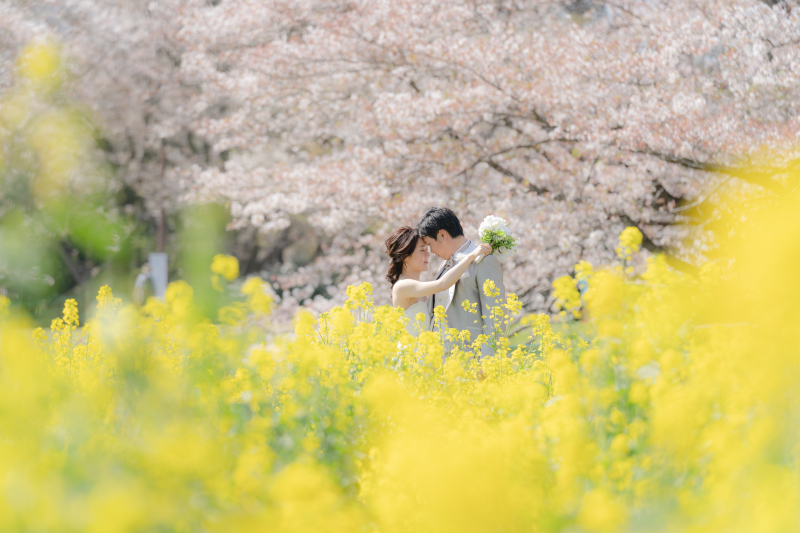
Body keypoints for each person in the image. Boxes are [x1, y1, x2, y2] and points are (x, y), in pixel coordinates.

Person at [416, 206, 505, 357]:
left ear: (442, 235)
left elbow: (495, 314)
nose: (430, 251)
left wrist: (488, 360)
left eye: (429, 244)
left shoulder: (484, 261)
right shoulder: (445, 265)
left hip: (471, 358)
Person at [385, 226, 491, 337]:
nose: (428, 255)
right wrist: (471, 256)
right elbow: (442, 284)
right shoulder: (402, 286)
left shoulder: (421, 288)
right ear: (405, 257)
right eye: (422, 250)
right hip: (410, 353)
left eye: (427, 249)